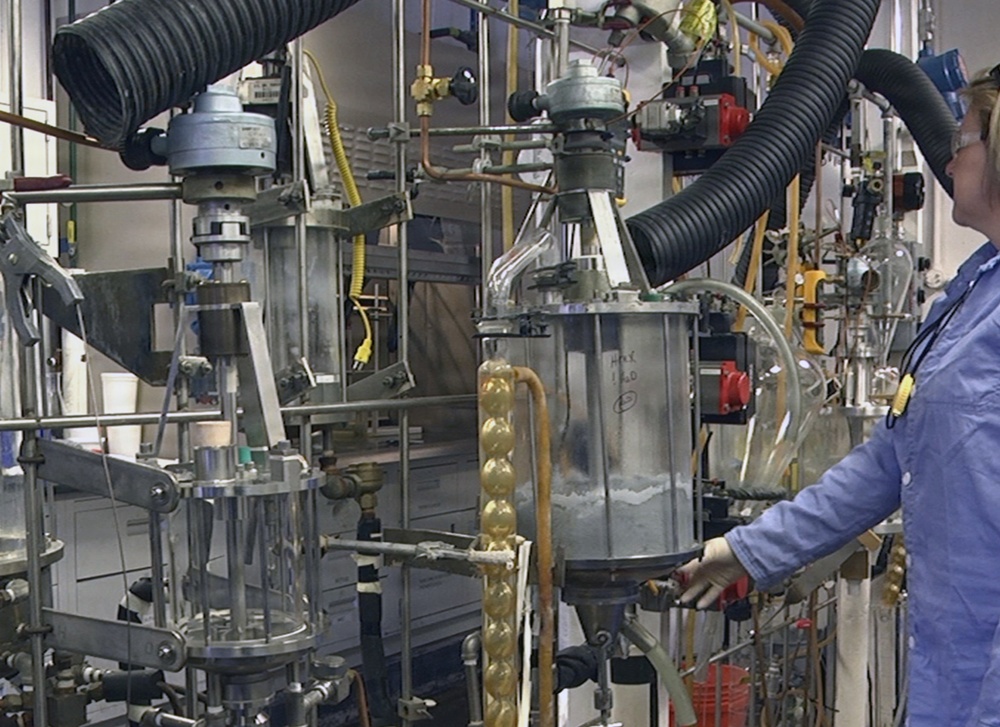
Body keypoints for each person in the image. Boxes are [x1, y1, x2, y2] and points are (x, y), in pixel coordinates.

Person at [678, 67, 1000, 727]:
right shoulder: (978, 287)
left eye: (964, 138)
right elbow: (890, 459)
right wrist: (749, 549)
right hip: (952, 675)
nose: (950, 153)